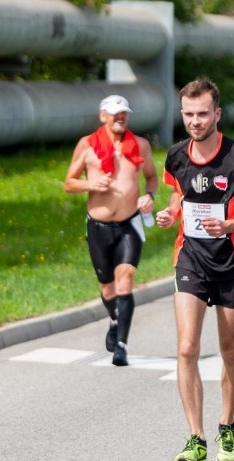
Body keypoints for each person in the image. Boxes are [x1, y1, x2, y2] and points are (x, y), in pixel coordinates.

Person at [156, 77, 234, 461]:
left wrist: (230, 226)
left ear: (217, 114)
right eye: (188, 114)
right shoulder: (175, 156)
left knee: (229, 350)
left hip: (232, 265)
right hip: (190, 259)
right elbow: (178, 193)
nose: (195, 121)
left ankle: (226, 425)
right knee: (187, 347)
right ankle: (196, 438)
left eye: (202, 114)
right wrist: (171, 212)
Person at [64, 95, 158, 366]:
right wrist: (91, 185)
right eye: (115, 113)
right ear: (103, 116)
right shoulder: (87, 145)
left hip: (130, 223)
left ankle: (122, 346)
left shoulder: (140, 145)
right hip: (99, 226)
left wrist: (150, 196)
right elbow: (69, 183)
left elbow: (151, 176)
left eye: (124, 113)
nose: (121, 117)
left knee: (126, 278)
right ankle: (114, 319)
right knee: (107, 288)